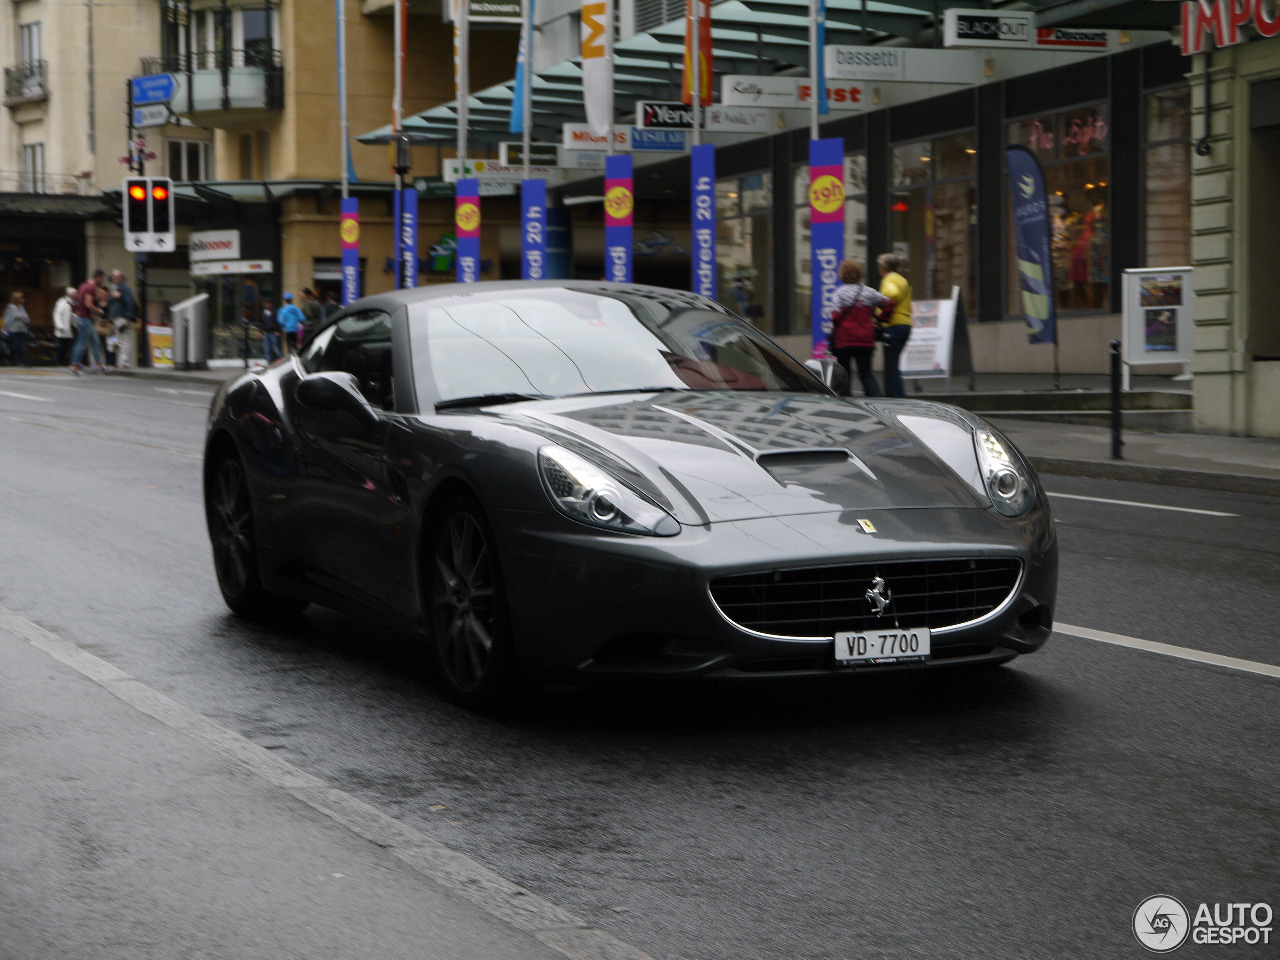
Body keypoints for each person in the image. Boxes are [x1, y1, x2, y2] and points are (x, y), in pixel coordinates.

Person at [828, 259, 891, 398]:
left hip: (844, 339)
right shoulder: (869, 292)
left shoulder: (839, 293)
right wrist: (878, 319)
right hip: (866, 339)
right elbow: (889, 304)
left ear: (842, 274)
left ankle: (848, 405)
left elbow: (836, 317)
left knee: (845, 374)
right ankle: (877, 403)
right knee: (866, 374)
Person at [876, 253, 913, 398]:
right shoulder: (903, 280)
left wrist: (880, 308)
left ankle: (896, 398)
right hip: (905, 324)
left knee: (891, 367)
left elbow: (892, 293)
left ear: (883, 268)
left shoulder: (888, 279)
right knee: (894, 363)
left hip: (893, 325)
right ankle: (895, 396)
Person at [70, 269, 107, 374]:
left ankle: (99, 366)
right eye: (102, 279)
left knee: (95, 342)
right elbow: (88, 304)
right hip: (84, 319)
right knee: (81, 343)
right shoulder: (90, 287)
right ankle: (74, 367)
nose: (102, 281)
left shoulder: (83, 285)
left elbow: (80, 301)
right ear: (98, 277)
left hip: (85, 318)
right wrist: (98, 312)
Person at [107, 269, 139, 369]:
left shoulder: (124, 289)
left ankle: (123, 361)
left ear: (122, 278)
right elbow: (111, 301)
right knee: (117, 341)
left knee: (124, 340)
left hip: (122, 317)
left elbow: (130, 303)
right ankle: (119, 361)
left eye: (117, 277)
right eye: (113, 276)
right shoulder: (115, 288)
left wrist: (129, 318)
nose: (114, 278)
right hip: (116, 317)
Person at [2, 291, 31, 366]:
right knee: (14, 346)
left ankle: (19, 361)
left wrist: (24, 318)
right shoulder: (11, 307)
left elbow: (26, 317)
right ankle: (10, 359)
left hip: (22, 330)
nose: (23, 299)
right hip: (13, 330)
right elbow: (6, 318)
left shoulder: (22, 307)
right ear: (17, 299)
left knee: (21, 347)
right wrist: (3, 329)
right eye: (21, 298)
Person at [52, 286, 77, 366]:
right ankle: (60, 361)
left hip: (69, 329)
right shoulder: (61, 302)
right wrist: (59, 325)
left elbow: (72, 316)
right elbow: (57, 314)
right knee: (62, 347)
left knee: (68, 346)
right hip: (63, 329)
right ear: (71, 294)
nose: (77, 295)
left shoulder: (72, 303)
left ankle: (66, 361)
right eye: (75, 293)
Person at [277, 292, 305, 358]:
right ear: (292, 300)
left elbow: (280, 321)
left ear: (285, 300)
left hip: (288, 330)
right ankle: (296, 357)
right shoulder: (296, 309)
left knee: (289, 347)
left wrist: (285, 325)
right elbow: (302, 318)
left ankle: (290, 359)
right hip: (295, 330)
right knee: (295, 346)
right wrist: (295, 321)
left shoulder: (283, 310)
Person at [259, 297, 281, 364]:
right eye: (267, 303)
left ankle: (281, 362)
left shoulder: (275, 312)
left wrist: (278, 331)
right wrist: (260, 332)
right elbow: (261, 323)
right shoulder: (263, 313)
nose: (268, 304)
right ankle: (269, 363)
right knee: (268, 350)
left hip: (273, 333)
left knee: (276, 349)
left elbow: (278, 322)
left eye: (270, 303)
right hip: (266, 333)